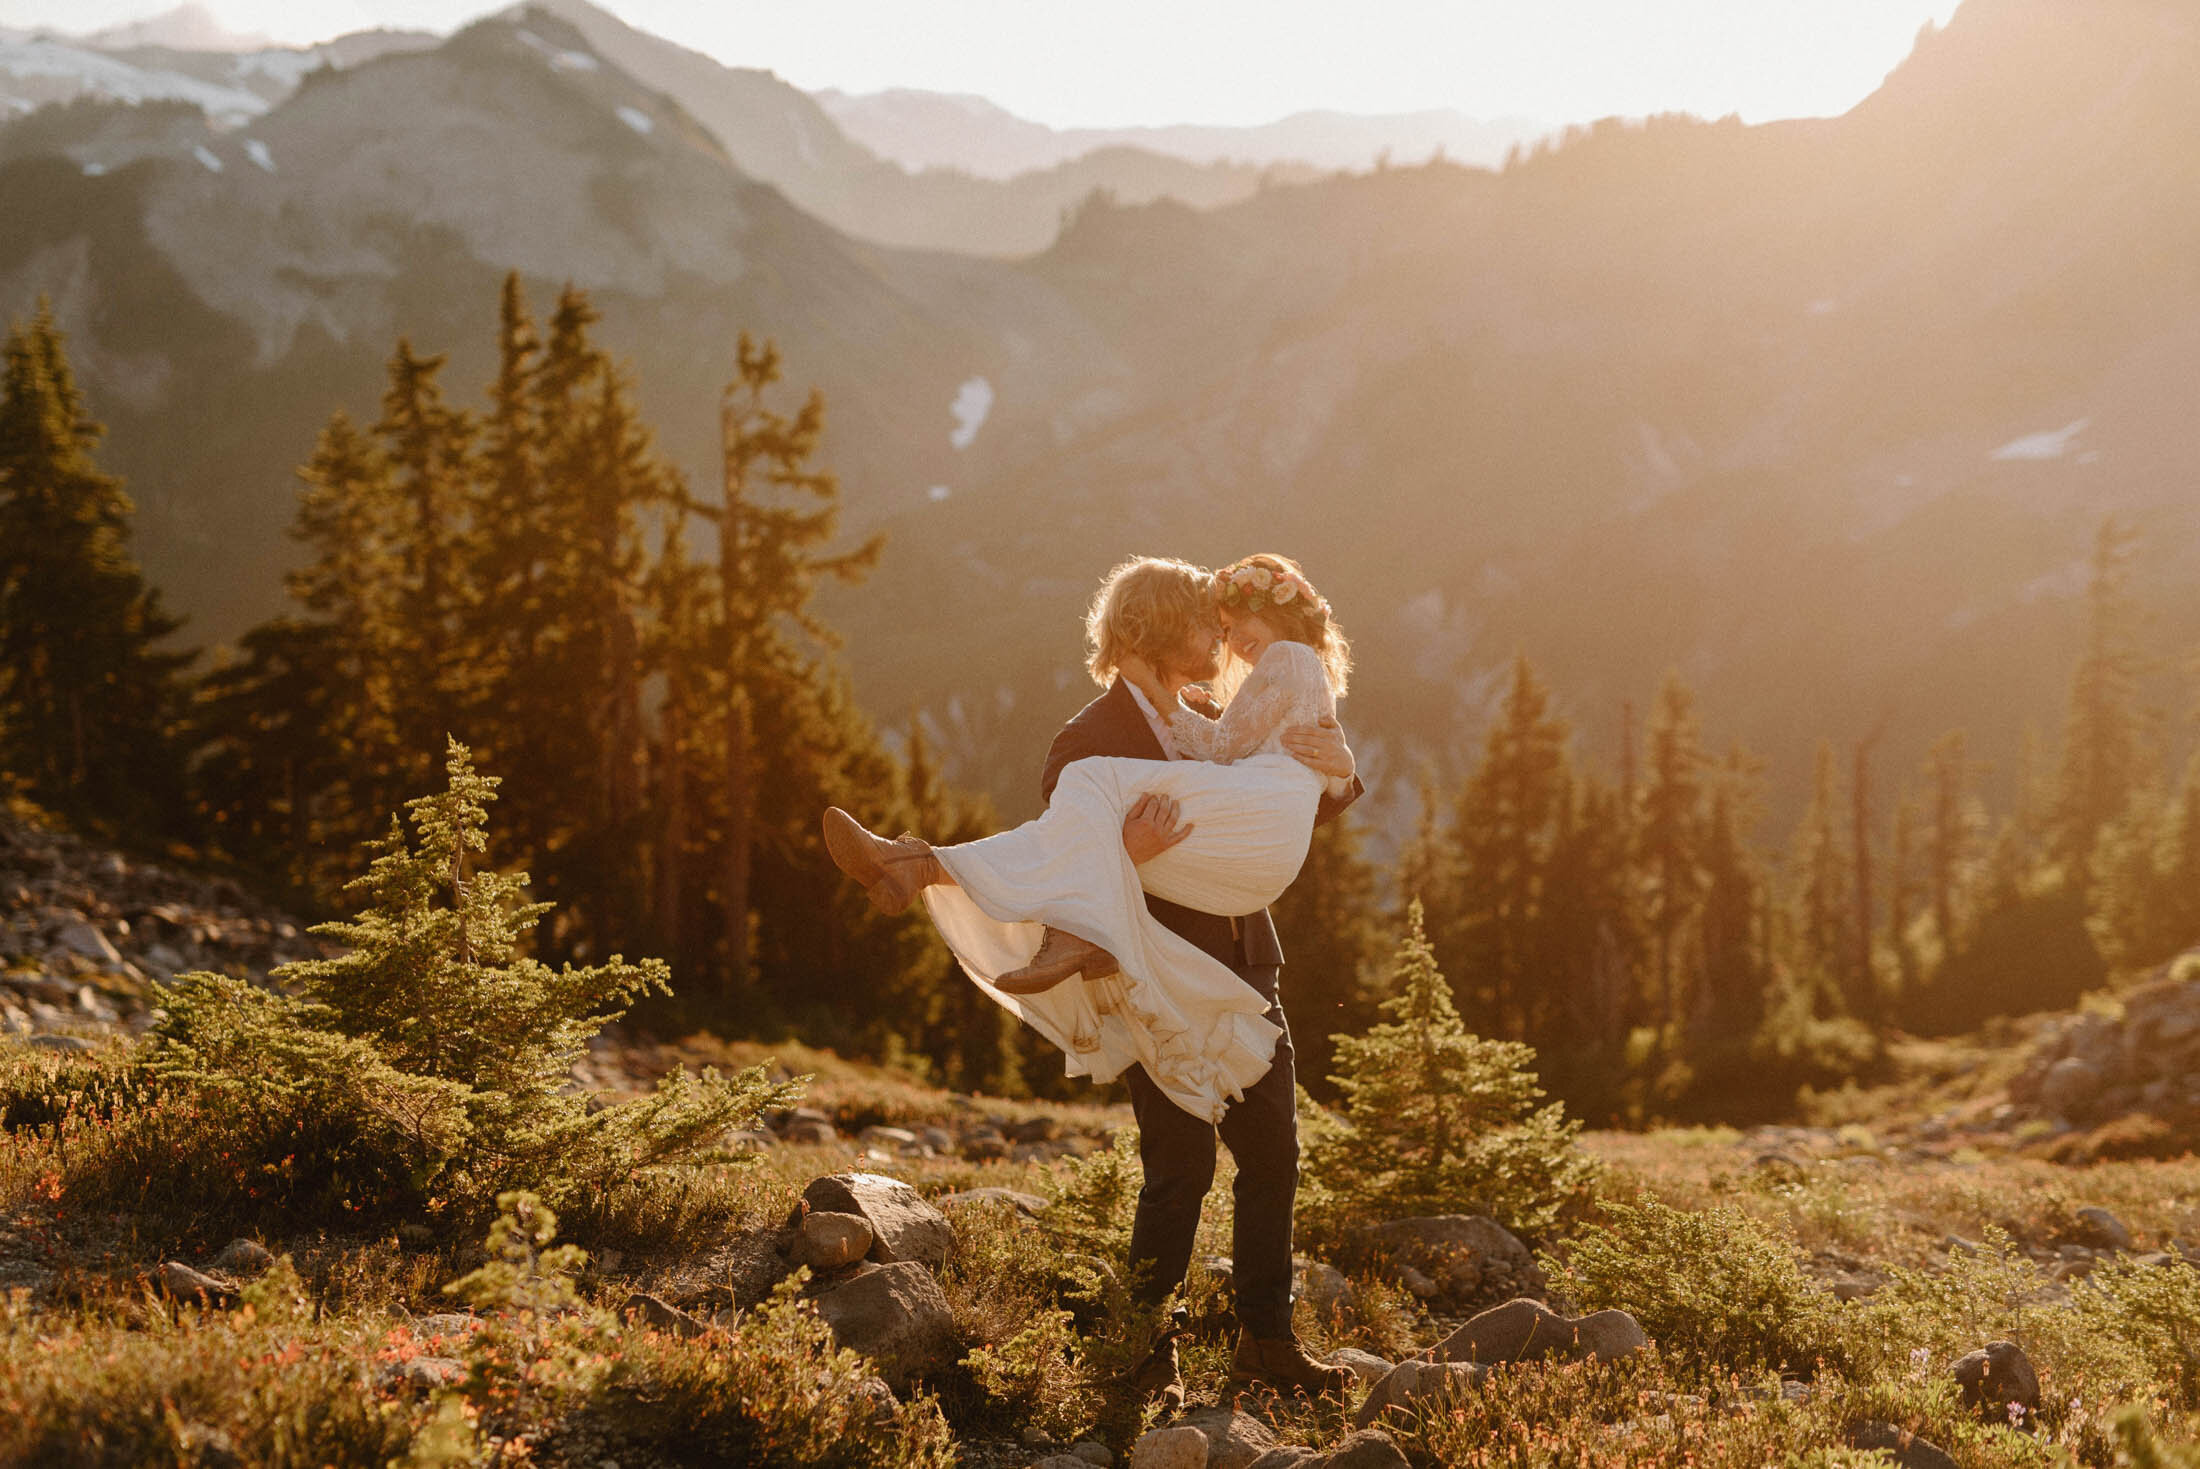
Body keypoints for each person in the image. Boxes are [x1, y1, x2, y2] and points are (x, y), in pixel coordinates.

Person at [823, 553, 1362, 1401]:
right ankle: (1145, 1351)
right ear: (1154, 628)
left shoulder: (1208, 715)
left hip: (1244, 965)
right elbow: (1061, 857)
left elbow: (1273, 799)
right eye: (1201, 622)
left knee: (1275, 1155)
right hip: (1149, 967)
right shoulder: (1087, 740)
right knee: (1178, 1161)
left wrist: (1340, 767)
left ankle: (1267, 1338)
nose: (1217, 638)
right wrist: (1128, 853)